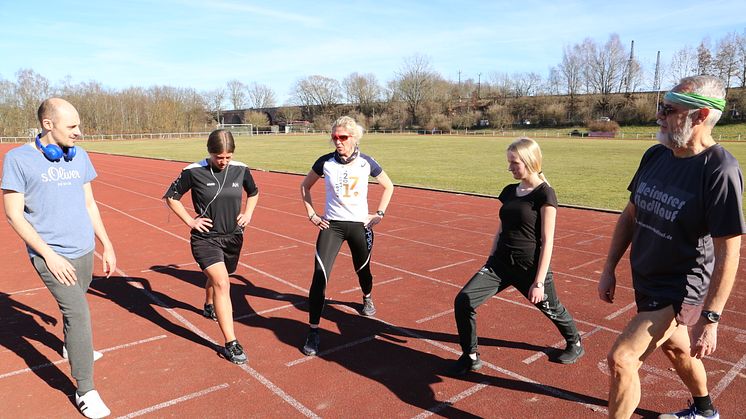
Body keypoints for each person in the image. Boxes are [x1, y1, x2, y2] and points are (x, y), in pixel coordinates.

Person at [598, 75, 744, 419]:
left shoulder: (719, 169)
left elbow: (729, 249)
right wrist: (608, 268)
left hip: (681, 288)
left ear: (701, 116)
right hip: (647, 277)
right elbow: (630, 216)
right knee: (679, 352)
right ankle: (705, 412)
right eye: (660, 108)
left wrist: (711, 318)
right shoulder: (656, 155)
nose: (659, 116)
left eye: (669, 109)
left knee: (622, 360)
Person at [2, 98, 116, 418]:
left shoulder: (79, 156)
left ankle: (72, 346)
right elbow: (14, 215)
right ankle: (85, 389)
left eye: (79, 125)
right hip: (51, 255)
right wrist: (49, 256)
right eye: (72, 126)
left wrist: (105, 243)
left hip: (84, 250)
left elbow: (90, 204)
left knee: (75, 307)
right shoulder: (18, 159)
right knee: (79, 314)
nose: (79, 132)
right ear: (48, 125)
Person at [450, 137, 584, 376]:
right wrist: (491, 256)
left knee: (552, 308)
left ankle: (575, 342)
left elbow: (547, 241)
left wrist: (539, 282)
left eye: (514, 163)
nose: (509, 168)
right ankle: (470, 356)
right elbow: (502, 227)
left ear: (530, 161)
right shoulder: (510, 191)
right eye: (509, 162)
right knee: (464, 300)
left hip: (529, 268)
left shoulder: (545, 194)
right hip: (499, 264)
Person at [299, 116, 394, 356]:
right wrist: (311, 213)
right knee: (320, 275)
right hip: (332, 226)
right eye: (335, 137)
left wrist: (380, 213)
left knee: (363, 271)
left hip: (359, 226)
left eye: (343, 137)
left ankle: (367, 296)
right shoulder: (325, 162)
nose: (338, 142)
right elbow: (304, 186)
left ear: (354, 138)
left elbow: (389, 186)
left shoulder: (366, 163)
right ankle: (313, 330)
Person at [164, 129, 259, 364]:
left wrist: (248, 212)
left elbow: (254, 192)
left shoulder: (241, 169)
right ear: (210, 152)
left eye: (228, 157)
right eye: (219, 157)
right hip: (205, 238)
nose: (224, 162)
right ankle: (231, 343)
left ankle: (208, 304)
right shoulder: (193, 171)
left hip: (233, 236)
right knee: (222, 282)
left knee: (220, 277)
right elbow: (171, 197)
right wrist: (190, 220)